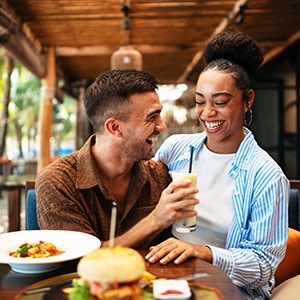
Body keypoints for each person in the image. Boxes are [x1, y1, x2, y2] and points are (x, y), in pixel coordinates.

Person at [145, 28, 289, 299]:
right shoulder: (176, 148)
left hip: (232, 291)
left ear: (248, 100)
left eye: (220, 102)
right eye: (200, 102)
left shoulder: (266, 175)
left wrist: (204, 252)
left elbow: (263, 265)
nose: (207, 113)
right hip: (170, 277)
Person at [36, 69, 199, 250]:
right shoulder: (57, 182)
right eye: (152, 117)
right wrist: (155, 220)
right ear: (114, 127)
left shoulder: (160, 176)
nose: (162, 125)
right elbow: (77, 257)